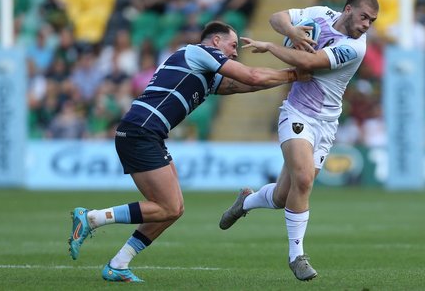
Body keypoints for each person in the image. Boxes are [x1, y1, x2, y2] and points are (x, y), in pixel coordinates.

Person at [68, 21, 310, 283]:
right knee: (167, 207)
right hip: (141, 131)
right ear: (215, 41)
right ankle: (92, 219)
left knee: (174, 209)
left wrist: (289, 73)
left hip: (147, 133)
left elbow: (243, 85)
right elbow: (250, 76)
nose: (236, 52)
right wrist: (295, 74)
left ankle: (118, 264)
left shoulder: (202, 69)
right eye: (233, 45)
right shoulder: (198, 52)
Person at [219, 0, 379, 281]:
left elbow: (309, 63)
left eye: (372, 21)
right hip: (297, 112)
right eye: (364, 17)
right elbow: (276, 17)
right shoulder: (320, 14)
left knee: (283, 196)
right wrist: (293, 32)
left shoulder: (356, 47)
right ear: (347, 9)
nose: (367, 24)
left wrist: (270, 46)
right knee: (303, 180)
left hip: (327, 122)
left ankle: (247, 201)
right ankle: (297, 256)